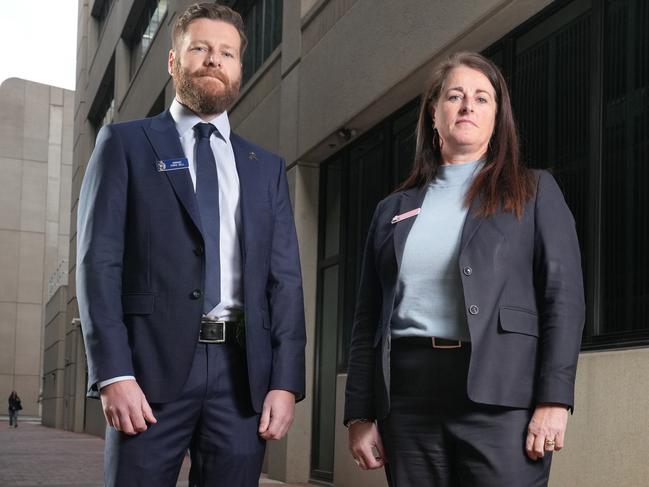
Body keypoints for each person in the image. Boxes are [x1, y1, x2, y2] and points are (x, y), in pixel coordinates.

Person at [76, 3, 306, 486]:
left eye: (226, 52)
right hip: (148, 374)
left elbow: (283, 282)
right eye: (199, 48)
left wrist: (285, 382)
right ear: (173, 60)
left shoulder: (265, 167)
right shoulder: (125, 144)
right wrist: (114, 373)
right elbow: (98, 266)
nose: (213, 60)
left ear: (240, 66)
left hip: (241, 379)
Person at [344, 51, 585, 486]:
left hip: (501, 399)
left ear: (498, 118)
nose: (468, 105)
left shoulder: (533, 192)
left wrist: (555, 400)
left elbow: (562, 301)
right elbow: (368, 319)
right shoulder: (391, 210)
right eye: (454, 96)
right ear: (434, 115)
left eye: (481, 97)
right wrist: (359, 412)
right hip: (408, 401)